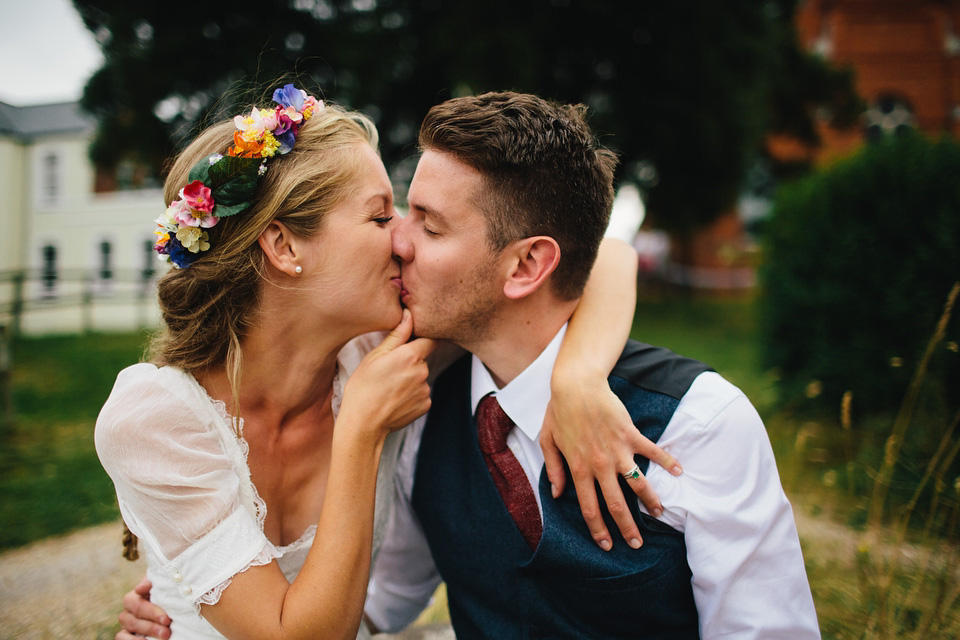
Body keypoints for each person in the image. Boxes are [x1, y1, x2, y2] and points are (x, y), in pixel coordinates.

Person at [98, 85, 677, 640]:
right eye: (380, 217)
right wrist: (361, 428)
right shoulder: (153, 419)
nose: (404, 236)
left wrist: (578, 378)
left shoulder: (389, 348)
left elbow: (599, 258)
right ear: (283, 247)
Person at [359, 92, 821, 638]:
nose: (399, 241)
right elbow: (378, 604)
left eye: (431, 227)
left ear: (528, 265)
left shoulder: (700, 424)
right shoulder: (422, 411)